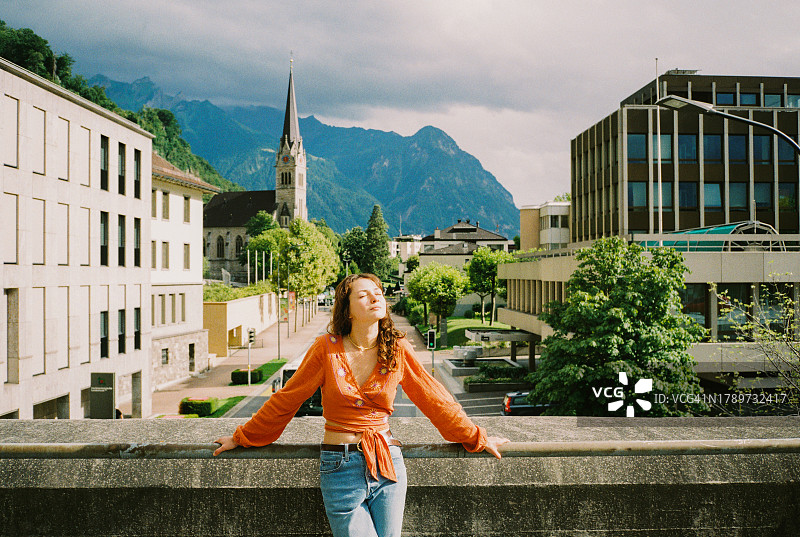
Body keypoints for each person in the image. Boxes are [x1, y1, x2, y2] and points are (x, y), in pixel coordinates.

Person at [214, 273, 509, 537]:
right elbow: (287, 399)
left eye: (378, 293)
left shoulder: (397, 349)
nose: (375, 298)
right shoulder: (325, 349)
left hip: (388, 463)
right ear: (348, 309)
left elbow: (435, 399)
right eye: (364, 295)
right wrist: (244, 436)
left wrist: (475, 437)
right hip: (340, 465)